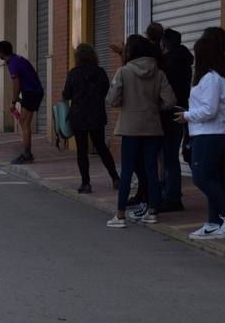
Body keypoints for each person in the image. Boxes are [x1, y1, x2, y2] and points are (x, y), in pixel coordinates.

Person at [106, 34, 175, 228]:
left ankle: (120, 215)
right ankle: (152, 212)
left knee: (127, 170)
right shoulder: (158, 72)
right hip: (152, 126)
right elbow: (170, 101)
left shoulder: (123, 72)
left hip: (130, 127)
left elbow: (112, 100)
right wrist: (153, 107)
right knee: (152, 169)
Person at [176, 37, 225, 239]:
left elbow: (210, 110)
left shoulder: (212, 78)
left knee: (201, 177)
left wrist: (186, 116)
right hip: (209, 131)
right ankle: (214, 222)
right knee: (215, 177)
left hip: (211, 132)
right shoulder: (213, 77)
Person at [62, 43, 119, 194]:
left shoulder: (74, 73)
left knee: (81, 150)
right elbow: (107, 90)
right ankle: (115, 178)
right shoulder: (100, 72)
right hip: (96, 115)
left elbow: (66, 94)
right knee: (101, 147)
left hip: (78, 116)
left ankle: (86, 183)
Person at [158, 29, 193, 212]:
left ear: (164, 44)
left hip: (168, 113)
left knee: (168, 157)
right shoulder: (185, 59)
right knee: (171, 156)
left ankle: (171, 197)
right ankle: (171, 195)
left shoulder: (167, 64)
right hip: (181, 110)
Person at [0, 40, 43, 164]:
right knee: (24, 123)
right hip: (32, 91)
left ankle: (27, 154)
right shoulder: (16, 59)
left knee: (24, 123)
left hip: (31, 92)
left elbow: (16, 84)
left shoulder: (12, 63)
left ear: (2, 53)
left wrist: (13, 101)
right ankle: (27, 152)